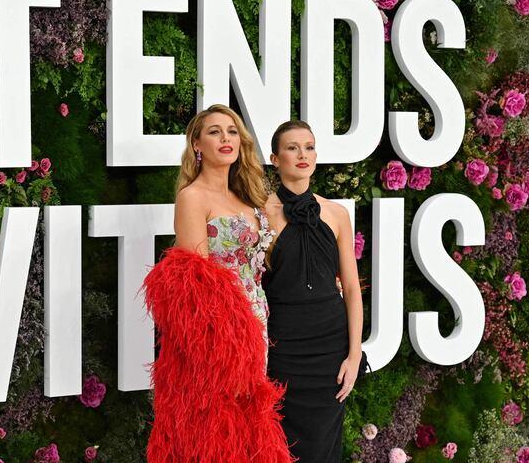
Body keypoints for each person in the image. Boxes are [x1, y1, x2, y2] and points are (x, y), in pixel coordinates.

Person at [143, 104, 295, 462]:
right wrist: (225, 341)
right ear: (197, 144)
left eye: (231, 131)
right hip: (220, 333)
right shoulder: (192, 197)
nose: (225, 138)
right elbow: (192, 283)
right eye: (214, 131)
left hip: (257, 320)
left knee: (245, 428)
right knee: (215, 425)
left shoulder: (248, 198)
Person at [262, 120, 365, 462]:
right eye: (292, 148)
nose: (302, 154)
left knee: (324, 446)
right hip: (282, 347)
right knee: (279, 445)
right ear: (275, 159)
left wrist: (354, 355)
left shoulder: (337, 213)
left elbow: (351, 288)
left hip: (331, 348)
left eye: (309, 146)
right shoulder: (258, 214)